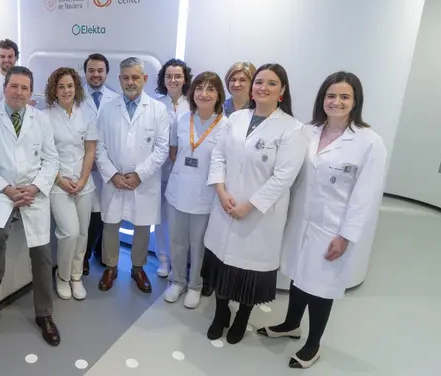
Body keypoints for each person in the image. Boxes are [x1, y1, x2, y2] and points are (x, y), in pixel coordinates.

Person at [257, 71, 387, 369]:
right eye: (331, 96)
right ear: (322, 99)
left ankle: (313, 344)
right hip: (299, 220)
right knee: (298, 275)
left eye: (344, 97)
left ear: (355, 102)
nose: (336, 102)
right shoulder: (307, 131)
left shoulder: (369, 142)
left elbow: (365, 196)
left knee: (320, 286)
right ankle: (291, 324)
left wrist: (346, 236)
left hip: (332, 228)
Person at [202, 63, 307, 344]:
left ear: (282, 90)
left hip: (259, 216)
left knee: (248, 273)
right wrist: (221, 191)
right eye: (259, 82)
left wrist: (249, 206)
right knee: (221, 266)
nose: (263, 87)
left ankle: (242, 317)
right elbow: (218, 156)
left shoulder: (292, 129)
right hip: (225, 206)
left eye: (271, 83)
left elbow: (283, 177)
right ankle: (221, 313)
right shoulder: (236, 118)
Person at [0, 66, 61, 346]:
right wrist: (7, 189)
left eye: (24, 87)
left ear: (30, 92)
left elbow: (51, 160)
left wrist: (35, 187)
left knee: (42, 253)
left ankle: (44, 314)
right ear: (4, 88)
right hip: (2, 189)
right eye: (14, 86)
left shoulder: (41, 119)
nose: (19, 92)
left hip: (33, 191)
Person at [95, 57, 169, 294]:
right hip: (114, 180)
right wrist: (112, 175)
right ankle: (111, 267)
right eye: (126, 77)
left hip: (143, 182)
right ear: (119, 79)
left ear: (144, 78)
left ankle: (138, 268)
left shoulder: (158, 110)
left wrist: (140, 175)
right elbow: (99, 147)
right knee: (110, 225)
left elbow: (162, 148)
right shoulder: (108, 109)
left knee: (142, 227)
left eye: (135, 77)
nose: (130, 82)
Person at [163, 72, 228, 309]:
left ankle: (195, 286)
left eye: (211, 89)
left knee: (198, 244)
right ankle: (177, 281)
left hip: (205, 196)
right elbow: (174, 152)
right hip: (178, 191)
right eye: (199, 88)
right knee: (177, 240)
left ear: (219, 95)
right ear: (192, 93)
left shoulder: (226, 126)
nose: (204, 94)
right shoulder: (182, 120)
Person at [44, 68, 97, 300]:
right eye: (61, 86)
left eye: (70, 86)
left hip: (84, 183)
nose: (66, 91)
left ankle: (76, 277)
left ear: (76, 88)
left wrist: (83, 179)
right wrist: (60, 179)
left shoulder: (87, 114)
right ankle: (62, 276)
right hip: (58, 184)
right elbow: (43, 153)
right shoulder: (44, 116)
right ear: (54, 90)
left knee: (83, 233)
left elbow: (90, 149)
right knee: (70, 233)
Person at [153, 58, 193, 278]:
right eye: (169, 76)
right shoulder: (156, 105)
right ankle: (163, 259)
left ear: (185, 79)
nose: (173, 80)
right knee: (161, 218)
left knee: (180, 220)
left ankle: (179, 261)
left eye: (178, 76)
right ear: (163, 79)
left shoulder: (193, 105)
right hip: (159, 171)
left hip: (185, 172)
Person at [80, 53, 118, 276]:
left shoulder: (116, 99)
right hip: (83, 165)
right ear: (85, 72)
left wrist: (102, 160)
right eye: (91, 70)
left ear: (106, 73)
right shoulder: (75, 96)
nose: (96, 74)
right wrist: (88, 159)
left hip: (107, 166)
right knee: (90, 214)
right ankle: (84, 255)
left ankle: (101, 252)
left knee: (107, 212)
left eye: (100, 71)